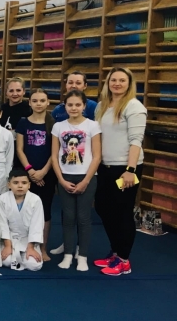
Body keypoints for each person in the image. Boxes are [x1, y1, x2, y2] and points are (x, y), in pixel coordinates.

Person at [92, 67, 146, 276]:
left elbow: (136, 141)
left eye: (122, 80)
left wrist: (130, 170)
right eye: (113, 80)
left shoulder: (134, 106)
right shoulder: (101, 106)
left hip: (126, 169)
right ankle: (115, 251)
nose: (117, 83)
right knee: (103, 207)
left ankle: (123, 260)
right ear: (107, 83)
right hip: (105, 167)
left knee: (122, 211)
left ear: (129, 83)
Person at [50, 90, 102, 271]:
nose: (73, 108)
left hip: (86, 176)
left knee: (83, 217)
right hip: (65, 176)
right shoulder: (58, 126)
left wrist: (86, 180)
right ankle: (68, 254)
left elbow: (97, 156)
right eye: (70, 105)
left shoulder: (92, 125)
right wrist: (61, 180)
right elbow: (54, 156)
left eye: (77, 104)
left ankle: (83, 256)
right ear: (65, 106)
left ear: (84, 106)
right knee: (68, 217)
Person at [15, 89, 56, 260]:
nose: (39, 104)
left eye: (42, 100)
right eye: (35, 100)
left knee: (45, 211)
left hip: (47, 174)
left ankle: (43, 248)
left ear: (48, 102)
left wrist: (43, 172)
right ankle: (23, 245)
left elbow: (55, 152)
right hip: (26, 174)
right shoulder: (23, 122)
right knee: (25, 210)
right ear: (30, 102)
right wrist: (30, 171)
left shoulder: (53, 124)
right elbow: (19, 149)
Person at [0, 170, 45, 271]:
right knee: (6, 261)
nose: (20, 186)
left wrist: (31, 247)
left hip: (28, 239)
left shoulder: (35, 200)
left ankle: (26, 253)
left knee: (35, 265)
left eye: (24, 183)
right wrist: (7, 246)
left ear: (29, 185)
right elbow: (2, 224)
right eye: (15, 183)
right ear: (9, 185)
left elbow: (37, 225)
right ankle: (14, 254)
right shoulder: (3, 199)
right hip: (10, 239)